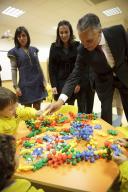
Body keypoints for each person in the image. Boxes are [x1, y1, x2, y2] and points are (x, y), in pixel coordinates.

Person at [45, 13, 128, 125]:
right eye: (82, 41)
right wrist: (60, 102)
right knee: (106, 112)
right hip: (104, 80)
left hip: (123, 75)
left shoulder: (118, 32)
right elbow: (75, 75)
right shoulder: (82, 50)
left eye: (89, 41)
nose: (85, 45)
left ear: (99, 32)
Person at [8, 26, 47, 110]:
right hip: (25, 85)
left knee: (37, 109)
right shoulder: (13, 52)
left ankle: (38, 123)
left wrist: (44, 80)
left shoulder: (34, 49)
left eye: (23, 35)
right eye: (19, 36)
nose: (21, 38)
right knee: (28, 111)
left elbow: (38, 66)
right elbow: (13, 70)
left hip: (37, 83)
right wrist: (16, 86)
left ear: (27, 36)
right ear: (16, 38)